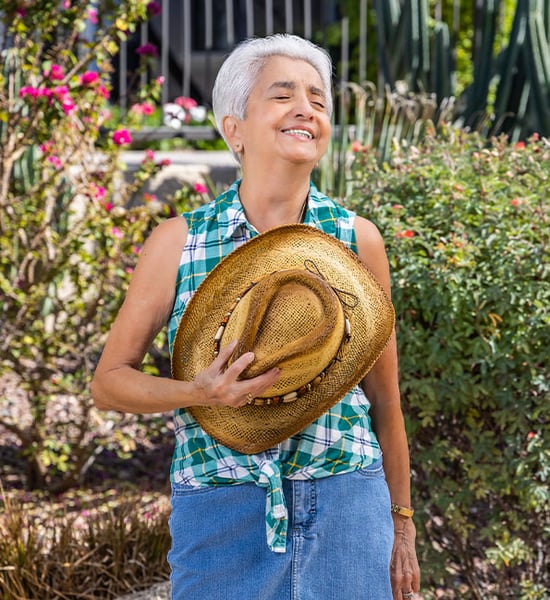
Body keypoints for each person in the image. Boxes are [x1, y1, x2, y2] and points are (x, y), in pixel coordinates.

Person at [91, 34, 420, 600]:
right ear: (234, 129)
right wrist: (197, 391)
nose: (306, 109)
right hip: (220, 511)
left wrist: (403, 525)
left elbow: (386, 402)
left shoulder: (356, 240)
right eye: (283, 94)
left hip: (348, 504)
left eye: (318, 100)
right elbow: (108, 383)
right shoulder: (179, 243)